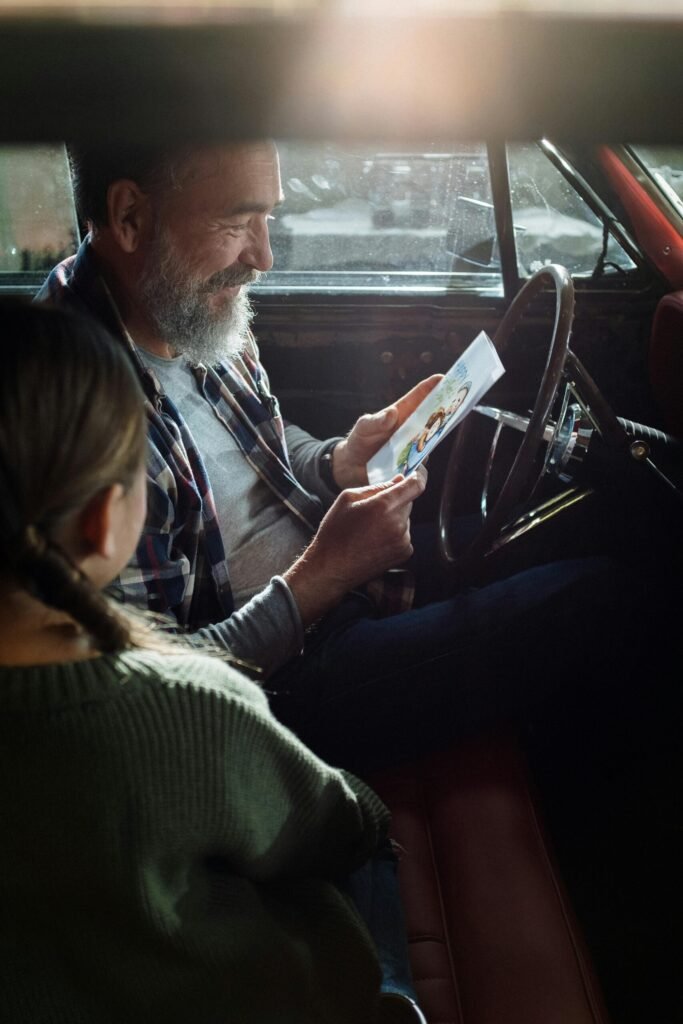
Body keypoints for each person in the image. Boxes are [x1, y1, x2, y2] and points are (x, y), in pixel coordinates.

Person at [38, 140, 657, 774]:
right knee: (602, 596)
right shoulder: (71, 407)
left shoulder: (186, 305)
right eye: (235, 223)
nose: (264, 257)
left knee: (589, 518)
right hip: (276, 686)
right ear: (129, 216)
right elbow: (150, 694)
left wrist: (337, 461)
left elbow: (264, 454)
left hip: (340, 578)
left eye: (269, 219)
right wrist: (323, 577)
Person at [0, 300, 425, 1024]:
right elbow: (336, 825)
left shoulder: (205, 321)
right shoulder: (183, 707)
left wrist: (328, 462)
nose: (259, 252)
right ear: (107, 519)